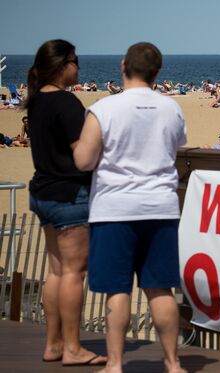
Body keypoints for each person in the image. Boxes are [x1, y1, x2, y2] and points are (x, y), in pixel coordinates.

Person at [73, 42, 187, 373]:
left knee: (117, 290)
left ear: (123, 66)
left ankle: (116, 364)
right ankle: (173, 362)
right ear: (157, 73)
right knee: (160, 288)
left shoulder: (104, 108)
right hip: (161, 207)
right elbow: (177, 144)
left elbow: (83, 159)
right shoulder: (171, 108)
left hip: (114, 209)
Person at [25, 39, 107, 366]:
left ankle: (54, 344)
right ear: (62, 65)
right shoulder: (66, 103)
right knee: (74, 273)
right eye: (76, 61)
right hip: (69, 195)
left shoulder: (35, 101)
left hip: (42, 191)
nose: (79, 67)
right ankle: (73, 347)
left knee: (56, 272)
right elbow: (82, 155)